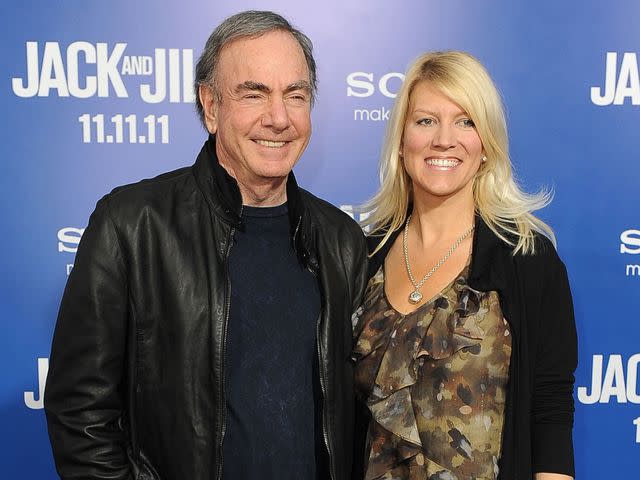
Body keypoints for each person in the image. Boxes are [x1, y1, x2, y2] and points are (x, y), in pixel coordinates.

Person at [44, 10, 367, 480]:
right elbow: (79, 412)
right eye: (253, 94)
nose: (278, 118)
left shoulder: (342, 241)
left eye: (294, 96)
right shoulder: (131, 225)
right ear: (211, 106)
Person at [352, 51, 577, 480]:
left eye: (465, 121)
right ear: (401, 142)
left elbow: (549, 411)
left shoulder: (528, 260)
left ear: (486, 146)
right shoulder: (359, 257)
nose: (444, 139)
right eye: (425, 121)